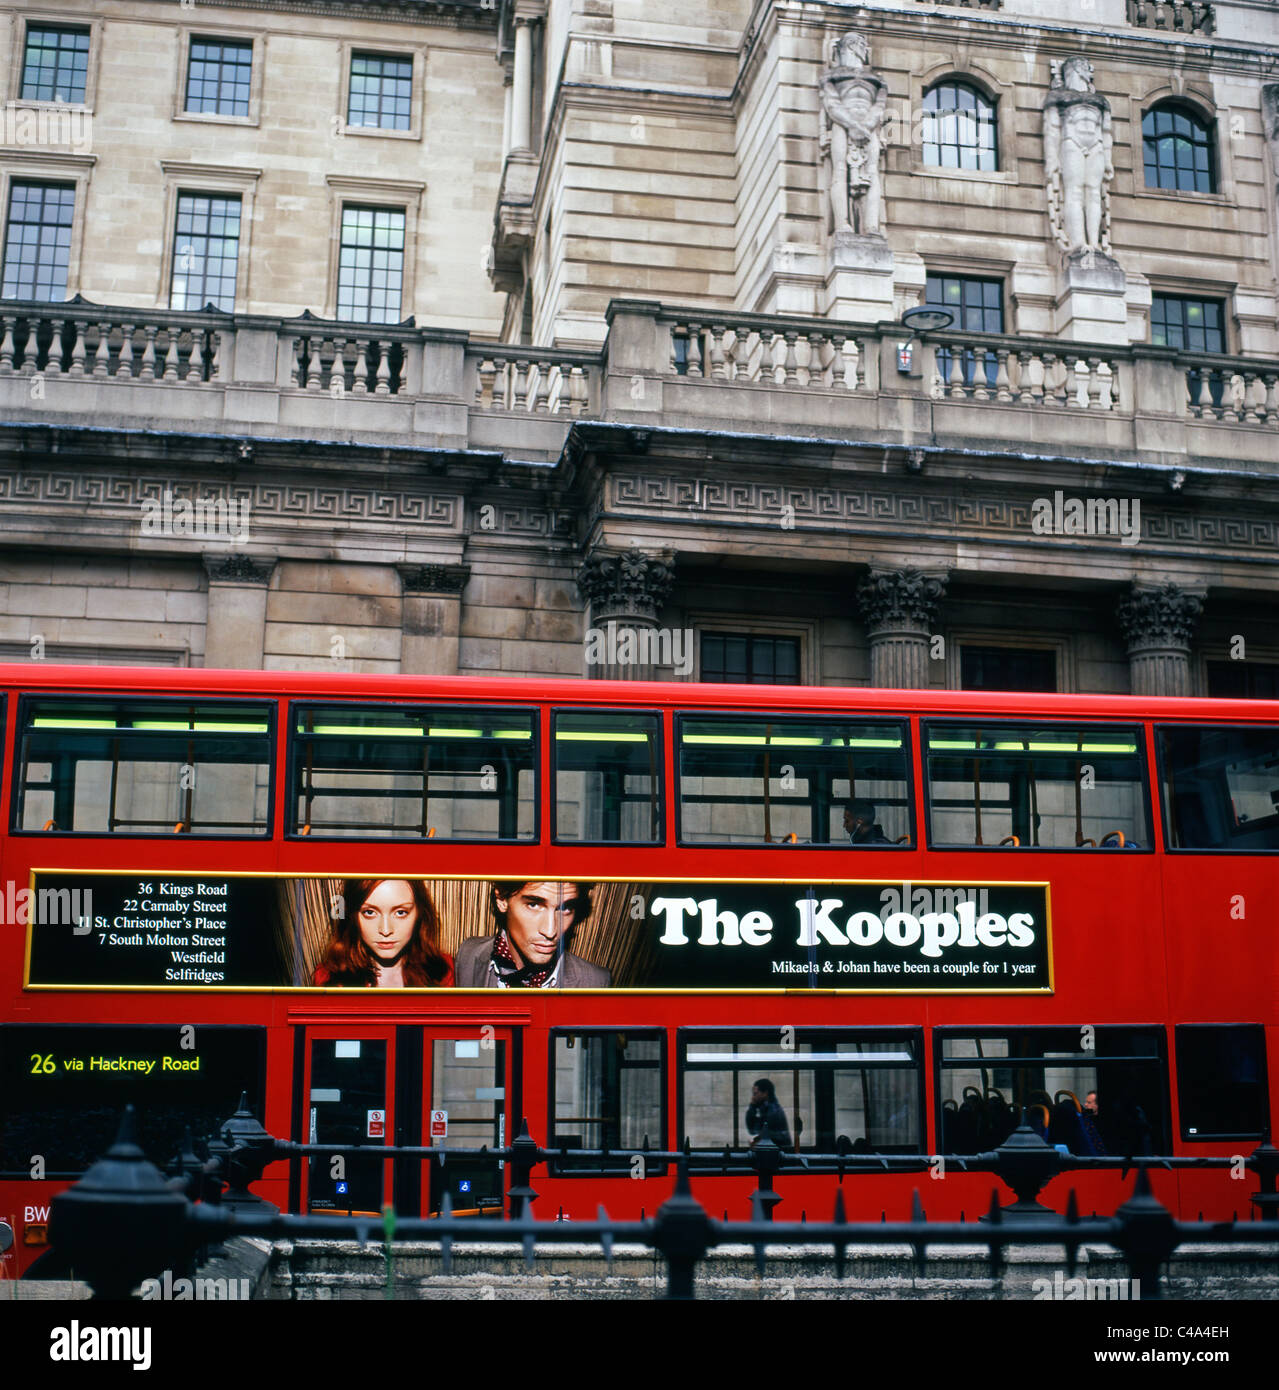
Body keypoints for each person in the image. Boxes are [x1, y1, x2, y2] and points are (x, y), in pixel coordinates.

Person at [454, 880, 610, 988]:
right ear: (502, 900)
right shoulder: (468, 953)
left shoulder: (596, 982)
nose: (550, 931)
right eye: (533, 904)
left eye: (565, 908)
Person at [313, 878, 453, 988]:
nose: (385, 930)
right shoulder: (328, 978)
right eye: (369, 912)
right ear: (352, 916)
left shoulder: (445, 971)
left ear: (420, 914)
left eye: (400, 912)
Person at [744, 1078, 793, 1151]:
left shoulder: (772, 1111)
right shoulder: (766, 1109)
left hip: (778, 1153)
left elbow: (755, 1130)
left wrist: (752, 1106)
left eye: (755, 1093)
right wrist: (753, 1107)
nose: (753, 1097)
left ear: (765, 1093)